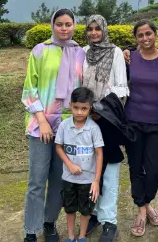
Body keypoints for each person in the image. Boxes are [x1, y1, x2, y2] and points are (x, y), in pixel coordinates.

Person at [22, 8, 85, 242]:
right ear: (52, 25)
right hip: (42, 126)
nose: (64, 28)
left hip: (69, 127)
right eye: (60, 24)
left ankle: (49, 222)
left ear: (74, 25)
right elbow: (29, 90)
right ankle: (31, 228)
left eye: (68, 24)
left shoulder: (80, 53)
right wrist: (42, 120)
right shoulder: (40, 51)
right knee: (37, 180)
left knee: (60, 180)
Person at [83, 14, 130, 242]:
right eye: (90, 29)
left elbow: (121, 88)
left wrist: (100, 109)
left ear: (104, 29)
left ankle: (109, 220)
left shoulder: (116, 52)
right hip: (85, 119)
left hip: (107, 120)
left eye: (97, 29)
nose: (93, 33)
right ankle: (92, 214)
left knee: (109, 171)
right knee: (90, 169)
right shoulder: (84, 52)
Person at [125, 19, 158, 237]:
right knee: (135, 167)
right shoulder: (129, 58)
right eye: (140, 35)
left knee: (153, 170)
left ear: (156, 34)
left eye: (148, 33)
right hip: (133, 120)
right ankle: (142, 210)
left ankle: (147, 201)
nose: (145, 38)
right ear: (136, 38)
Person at [55, 87, 104, 242]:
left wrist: (96, 181)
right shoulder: (63, 126)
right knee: (69, 209)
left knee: (85, 211)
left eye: (84, 109)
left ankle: (82, 237)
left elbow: (99, 153)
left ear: (90, 108)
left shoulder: (94, 129)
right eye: (76, 108)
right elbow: (58, 147)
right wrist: (69, 164)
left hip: (87, 180)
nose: (79, 112)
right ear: (70, 105)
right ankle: (70, 237)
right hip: (69, 179)